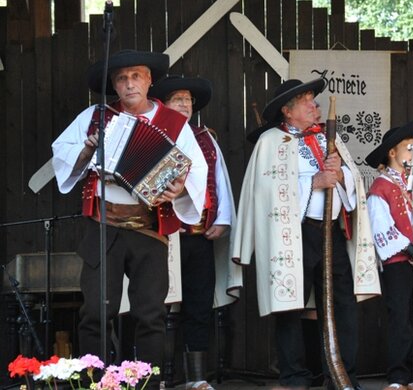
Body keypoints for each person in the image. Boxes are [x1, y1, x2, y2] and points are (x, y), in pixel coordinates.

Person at [51, 50, 208, 387]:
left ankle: (145, 385)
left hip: (149, 228)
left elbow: (195, 171)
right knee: (95, 312)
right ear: (113, 84)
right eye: (121, 78)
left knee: (150, 314)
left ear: (150, 80)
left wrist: (178, 189)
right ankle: (95, 382)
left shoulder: (174, 124)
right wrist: (86, 151)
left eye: (136, 76)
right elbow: (61, 152)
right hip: (104, 225)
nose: (129, 84)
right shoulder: (95, 117)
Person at [233, 78, 380, 390]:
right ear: (288, 111)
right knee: (290, 306)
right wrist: (313, 182)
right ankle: (295, 376)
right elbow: (265, 192)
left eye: (314, 99)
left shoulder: (331, 139)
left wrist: (340, 175)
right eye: (306, 101)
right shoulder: (271, 142)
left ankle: (342, 375)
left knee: (341, 305)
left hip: (332, 234)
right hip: (294, 235)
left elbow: (352, 181)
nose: (315, 106)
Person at [151, 75, 242, 390]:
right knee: (157, 305)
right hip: (160, 236)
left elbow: (220, 178)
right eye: (178, 99)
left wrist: (222, 218)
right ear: (164, 104)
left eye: (188, 100)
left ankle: (196, 378)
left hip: (197, 235)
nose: (185, 105)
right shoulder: (152, 135)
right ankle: (158, 375)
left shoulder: (205, 138)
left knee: (199, 304)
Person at [365, 120, 413, 390]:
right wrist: (412, 251)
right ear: (392, 153)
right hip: (398, 263)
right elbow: (380, 228)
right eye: (409, 148)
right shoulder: (381, 188)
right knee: (400, 318)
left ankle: (412, 378)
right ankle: (397, 378)